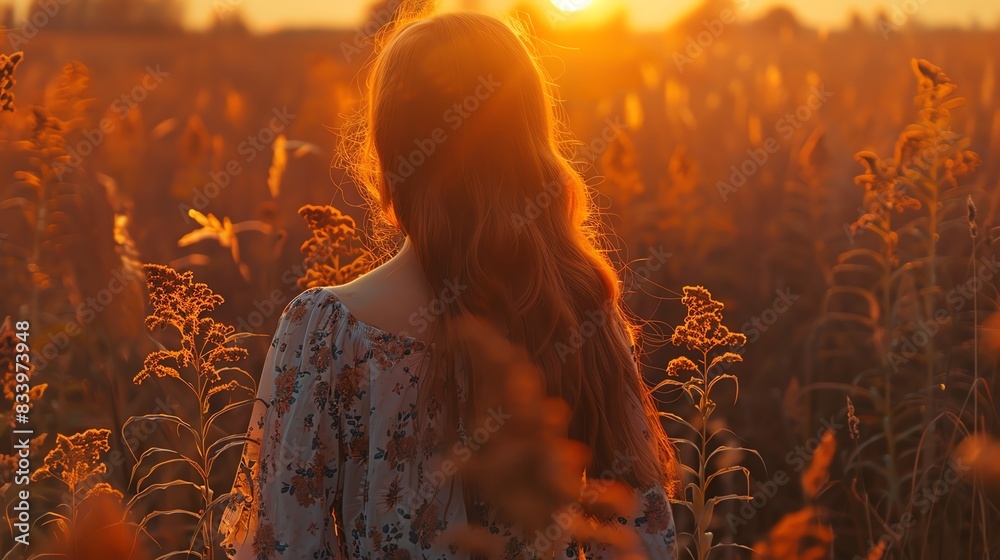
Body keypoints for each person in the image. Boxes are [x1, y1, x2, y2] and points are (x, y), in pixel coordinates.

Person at [218, 10, 679, 559]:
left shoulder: (323, 334)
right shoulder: (579, 316)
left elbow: (280, 545)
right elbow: (640, 540)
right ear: (531, 145)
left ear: (390, 153)